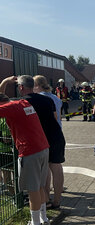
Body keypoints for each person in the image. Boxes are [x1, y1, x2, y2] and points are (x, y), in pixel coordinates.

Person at [0, 77, 51, 225]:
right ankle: (44, 218)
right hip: (42, 147)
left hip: (30, 151)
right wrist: (6, 82)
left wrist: (5, 82)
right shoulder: (22, 103)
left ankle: (35, 223)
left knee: (32, 190)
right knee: (40, 186)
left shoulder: (10, 108)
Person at [16, 75, 66, 211]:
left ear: (22, 87)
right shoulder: (48, 99)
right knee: (56, 167)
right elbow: (55, 118)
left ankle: (46, 200)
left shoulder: (24, 102)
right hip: (56, 135)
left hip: (42, 138)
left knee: (44, 171)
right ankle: (57, 200)